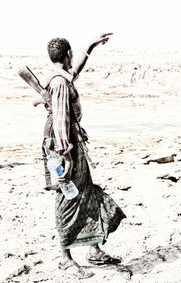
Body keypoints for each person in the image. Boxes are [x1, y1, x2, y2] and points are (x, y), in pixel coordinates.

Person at [42, 34, 126, 279]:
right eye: (72, 54)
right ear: (66, 54)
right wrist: (66, 155)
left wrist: (90, 47)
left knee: (87, 192)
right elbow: (59, 120)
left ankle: (94, 250)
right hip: (62, 148)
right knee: (67, 198)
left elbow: (75, 70)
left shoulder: (63, 77)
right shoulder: (59, 83)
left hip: (70, 145)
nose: (72, 60)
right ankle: (65, 260)